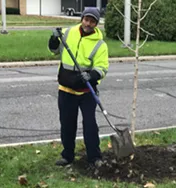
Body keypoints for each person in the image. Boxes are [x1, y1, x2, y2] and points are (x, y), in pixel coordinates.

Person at [48, 7, 109, 166]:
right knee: (67, 125)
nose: (88, 23)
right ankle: (67, 156)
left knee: (90, 125)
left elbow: (102, 68)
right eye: (86, 19)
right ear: (82, 19)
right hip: (66, 89)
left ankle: (94, 158)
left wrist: (92, 75)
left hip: (86, 91)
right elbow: (55, 51)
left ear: (96, 23)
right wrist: (53, 40)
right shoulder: (68, 33)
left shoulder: (100, 44)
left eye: (92, 21)